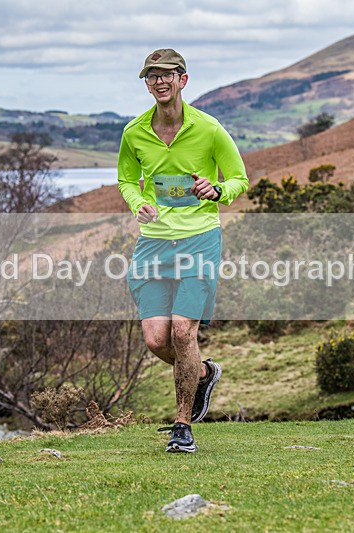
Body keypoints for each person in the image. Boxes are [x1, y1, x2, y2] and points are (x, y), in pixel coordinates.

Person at [117, 48, 248, 453]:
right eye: (151, 76)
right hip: (154, 242)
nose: (159, 81)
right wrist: (137, 203)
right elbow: (127, 180)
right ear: (147, 84)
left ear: (182, 80)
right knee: (158, 340)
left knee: (182, 331)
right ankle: (203, 373)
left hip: (199, 239)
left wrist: (218, 189)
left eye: (167, 74)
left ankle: (182, 425)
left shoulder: (209, 129)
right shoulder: (134, 132)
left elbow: (239, 179)